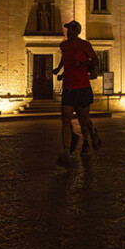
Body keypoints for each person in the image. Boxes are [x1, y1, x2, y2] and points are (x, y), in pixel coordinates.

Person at [53, 20, 101, 167]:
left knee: (83, 120)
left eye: (72, 29)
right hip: (68, 87)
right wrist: (59, 69)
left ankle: (90, 135)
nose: (69, 31)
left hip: (82, 87)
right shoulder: (64, 45)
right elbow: (65, 58)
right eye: (68, 29)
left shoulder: (84, 45)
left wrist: (83, 64)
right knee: (65, 118)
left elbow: (95, 61)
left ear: (78, 31)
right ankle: (66, 152)